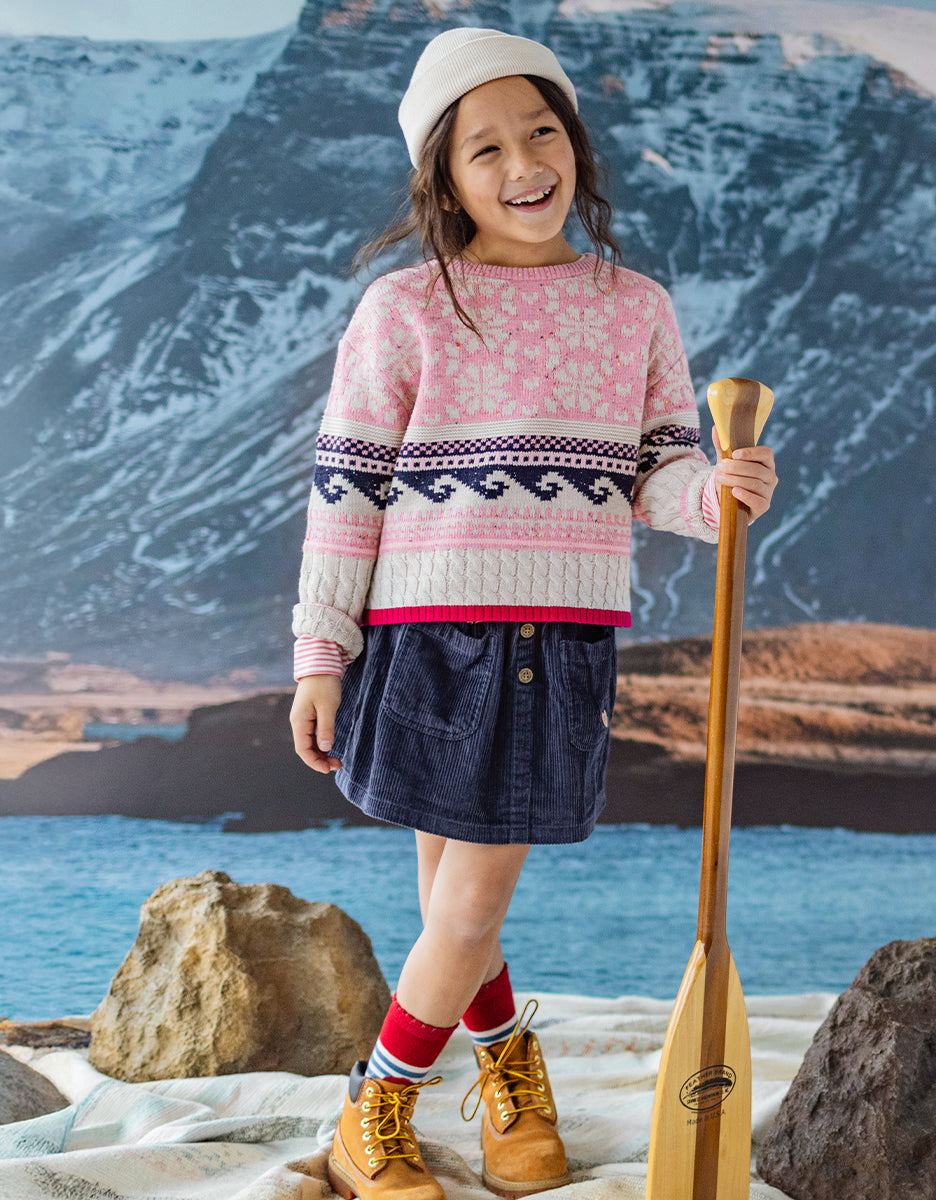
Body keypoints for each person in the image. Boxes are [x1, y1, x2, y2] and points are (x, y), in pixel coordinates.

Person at [288, 26, 777, 1200]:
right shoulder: (404, 310)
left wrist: (716, 492)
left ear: (577, 141)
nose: (524, 163)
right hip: (421, 640)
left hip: (556, 645)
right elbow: (346, 492)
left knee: (461, 906)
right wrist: (321, 652)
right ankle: (397, 1107)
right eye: (486, 148)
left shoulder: (632, 307)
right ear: (444, 182)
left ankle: (465, 1082)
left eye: (542, 129)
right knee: (453, 910)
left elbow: (656, 467)